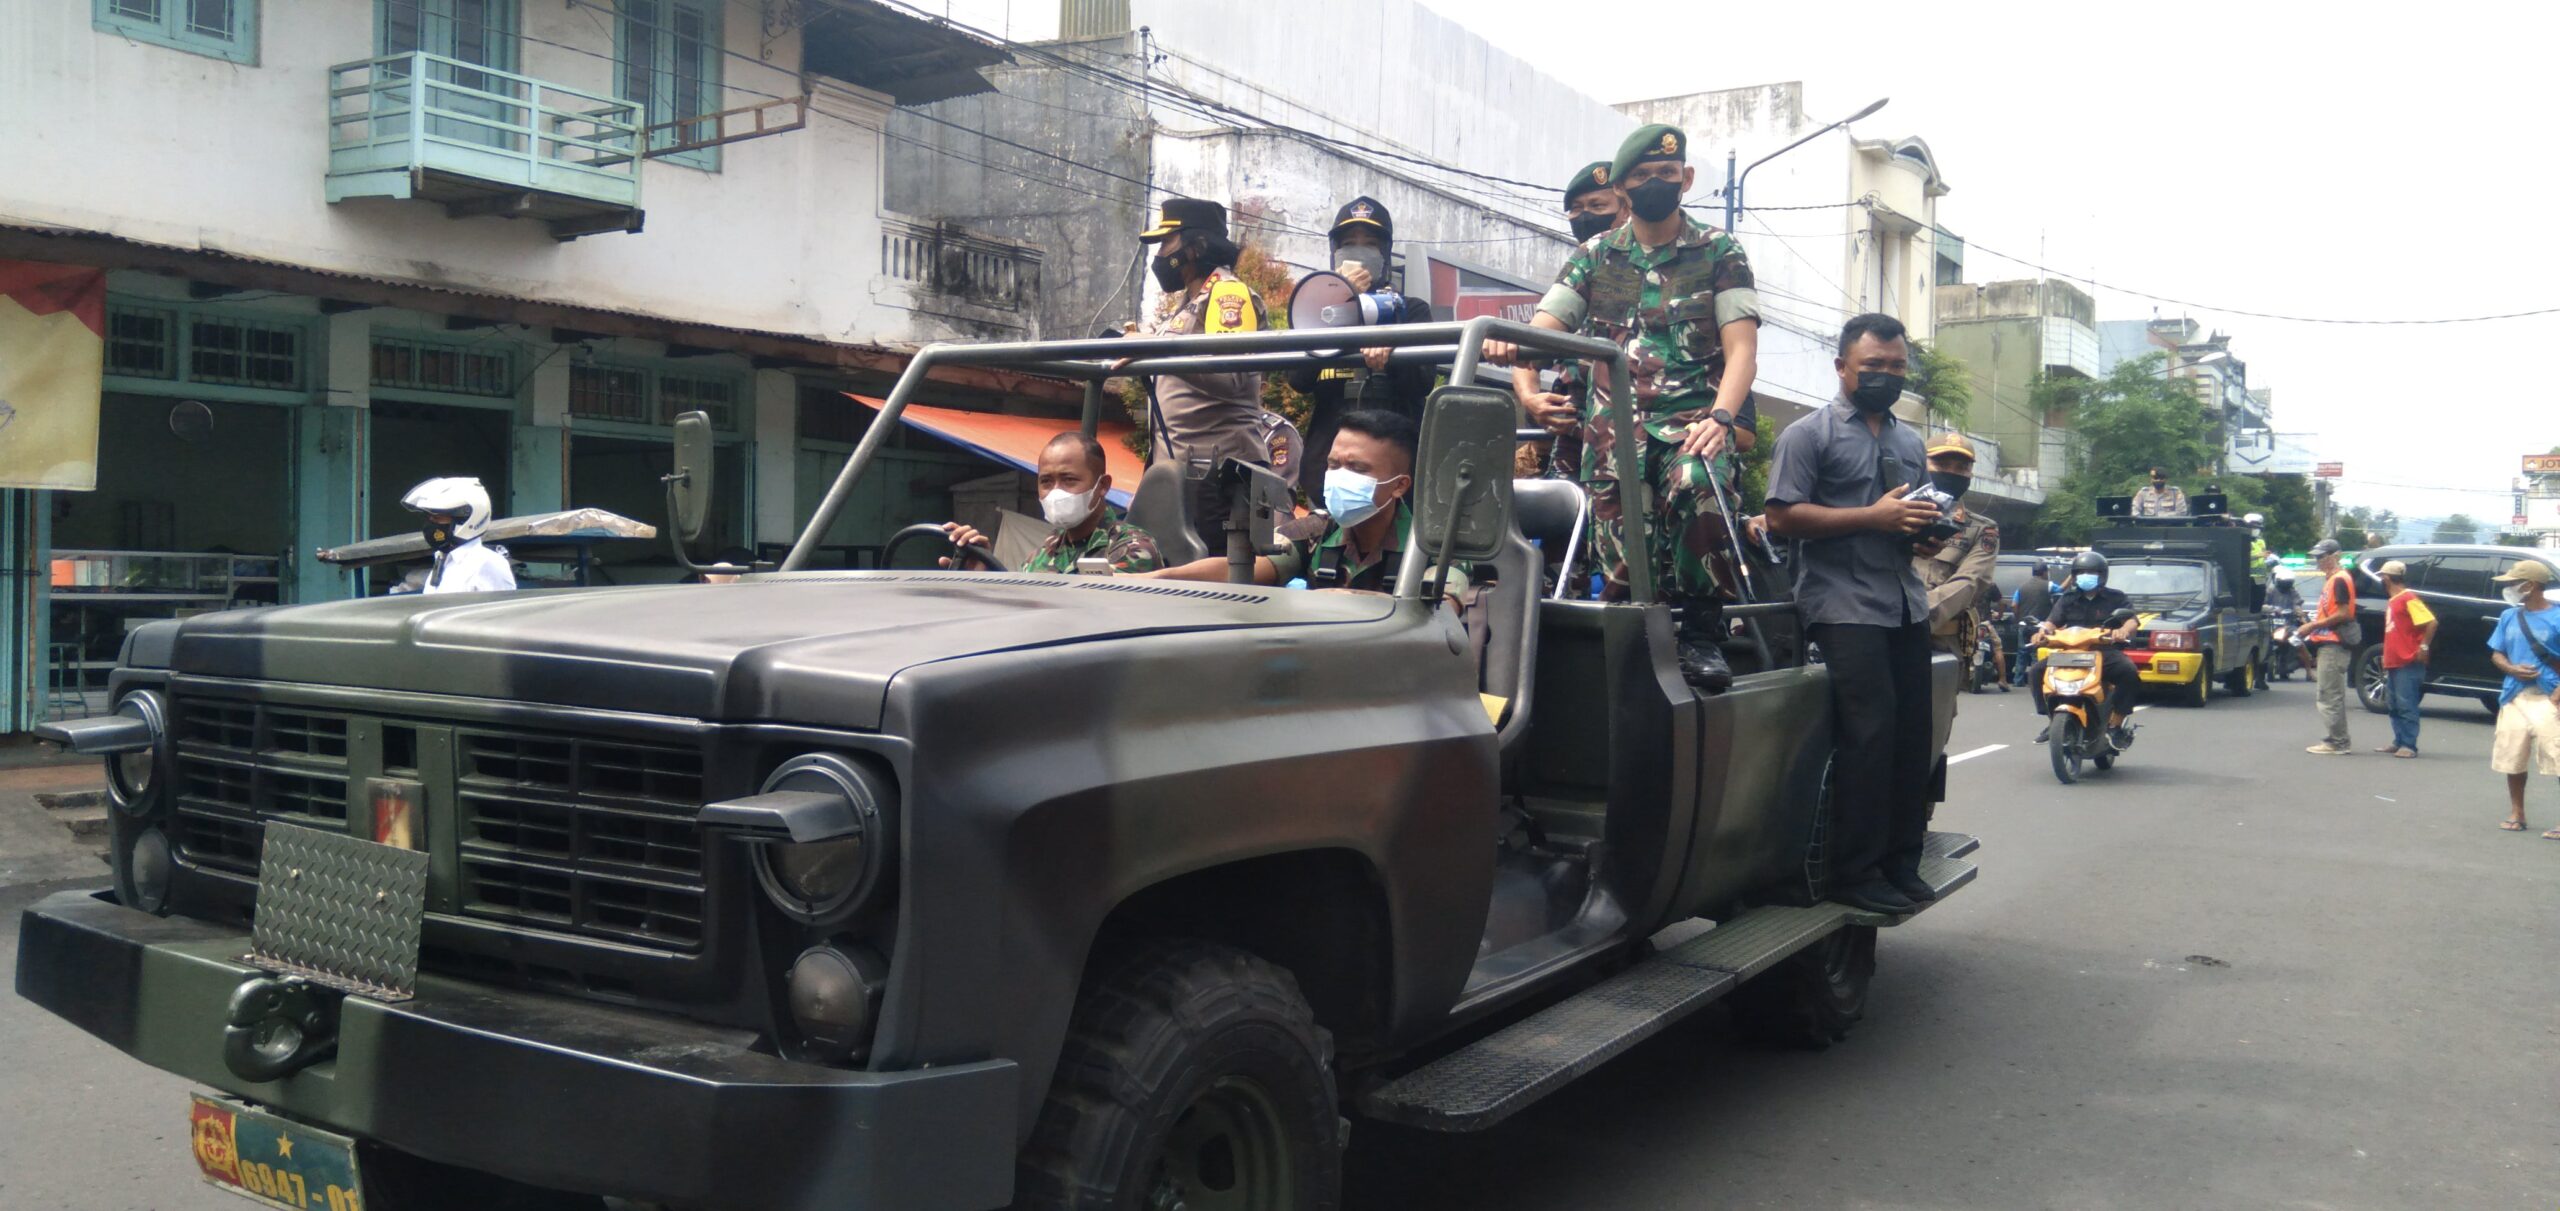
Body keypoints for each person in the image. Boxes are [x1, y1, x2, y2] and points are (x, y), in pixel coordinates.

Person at [1487, 123, 1762, 688]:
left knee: (1698, 484)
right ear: (1623, 188)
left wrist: (1722, 416)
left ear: (1685, 179)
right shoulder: (1595, 256)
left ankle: (1702, 633)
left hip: (1691, 430)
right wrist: (1514, 349)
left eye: (1667, 173)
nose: (1657, 182)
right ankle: (1624, 667)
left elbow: (1742, 350)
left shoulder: (1719, 251)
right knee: (1618, 570)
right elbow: (1548, 326)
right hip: (1614, 445)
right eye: (1643, 175)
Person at [1762, 312, 1939, 916]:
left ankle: (1900, 862)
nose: (1886, 376)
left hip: (1904, 603)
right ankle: (1853, 873)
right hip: (1841, 608)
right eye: (1874, 366)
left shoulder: (1910, 443)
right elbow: (1783, 517)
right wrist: (1873, 517)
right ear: (1843, 368)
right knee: (1869, 738)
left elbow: (1907, 524)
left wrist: (1928, 531)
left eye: (1896, 367)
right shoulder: (1807, 436)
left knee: (1913, 738)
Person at [1148, 410, 1465, 598]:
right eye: (1334, 464)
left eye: (1357, 468)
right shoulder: (1316, 531)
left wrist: (1338, 600)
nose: (1340, 476)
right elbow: (1245, 570)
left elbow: (1442, 611)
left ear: (1399, 486)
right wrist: (1157, 579)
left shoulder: (1435, 545)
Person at [1127, 197, 1270, 555]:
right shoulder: (1190, 302)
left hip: (1218, 475)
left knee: (1213, 585)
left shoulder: (1228, 294)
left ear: (1198, 246)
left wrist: (1157, 349)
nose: (1160, 255)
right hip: (1185, 469)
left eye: (1166, 242)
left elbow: (1232, 375)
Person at [1285, 197, 1438, 496]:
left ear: (1384, 253)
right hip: (1327, 469)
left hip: (1393, 473)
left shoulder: (1411, 310)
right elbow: (1299, 380)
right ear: (1335, 252)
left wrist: (1392, 349)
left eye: (1369, 244)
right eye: (1349, 243)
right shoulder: (1317, 309)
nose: (1358, 251)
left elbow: (1422, 382)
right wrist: (1337, 300)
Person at [1515, 161, 1629, 485]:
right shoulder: (1577, 270)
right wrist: (1530, 399)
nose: (1585, 216)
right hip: (1573, 443)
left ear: (1625, 207)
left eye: (1597, 206)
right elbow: (1529, 351)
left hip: (1636, 435)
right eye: (1576, 210)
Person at [940, 432, 1162, 576]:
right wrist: (984, 571)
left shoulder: (1132, 549)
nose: (1056, 491)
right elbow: (1023, 609)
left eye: (1069, 480)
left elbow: (1089, 618)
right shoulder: (1045, 552)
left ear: (1102, 485)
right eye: (1046, 481)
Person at [1912, 435, 2000, 687]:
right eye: (1942, 464)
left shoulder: (1981, 529)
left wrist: (1917, 615)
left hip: (1940, 641)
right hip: (1882, 631)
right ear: (1921, 465)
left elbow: (1971, 581)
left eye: (1962, 468)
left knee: (1933, 722)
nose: (1952, 473)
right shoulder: (1895, 513)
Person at [2027, 550, 2142, 743]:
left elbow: (2132, 620)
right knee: (2036, 671)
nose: (2085, 577)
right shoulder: (2067, 599)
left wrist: (2123, 630)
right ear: (2074, 576)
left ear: (2102, 575)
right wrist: (2042, 633)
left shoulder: (2116, 597)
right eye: (2080, 573)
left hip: (2104, 652)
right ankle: (2053, 720)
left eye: (2091, 573)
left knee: (2129, 672)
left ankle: (2115, 726)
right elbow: (2051, 622)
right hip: (2071, 652)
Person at [2484, 560, 2560, 835]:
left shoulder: (2557, 617)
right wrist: (2511, 668)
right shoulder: (2509, 617)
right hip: (2515, 696)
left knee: (2557, 756)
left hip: (2549, 696)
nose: (2509, 587)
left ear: (2532, 585)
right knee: (2513, 755)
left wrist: (2557, 695)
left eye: (2514, 582)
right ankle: (2517, 812)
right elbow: (2496, 653)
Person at [399, 476, 514, 594]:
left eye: (438, 518)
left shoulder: (487, 563)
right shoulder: (443, 559)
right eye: (430, 518)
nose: (431, 524)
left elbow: (502, 610)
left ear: (464, 519)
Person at [2299, 538, 2360, 755]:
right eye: (2316, 557)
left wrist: (2313, 625)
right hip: (2329, 643)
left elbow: (2344, 613)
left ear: (2336, 556)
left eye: (2322, 556)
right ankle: (2337, 739)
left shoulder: (2340, 579)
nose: (2318, 561)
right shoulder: (2333, 579)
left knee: (2329, 694)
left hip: (2334, 644)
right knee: (2329, 693)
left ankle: (2338, 742)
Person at [2373, 559, 2435, 758]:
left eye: (2383, 577)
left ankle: (2409, 744)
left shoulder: (2408, 598)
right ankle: (2399, 741)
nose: (2381, 580)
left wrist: (2423, 646)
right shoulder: (2394, 600)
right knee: (2394, 704)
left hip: (2407, 660)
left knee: (2406, 704)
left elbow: (2431, 622)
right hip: (2394, 660)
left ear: (2388, 578)